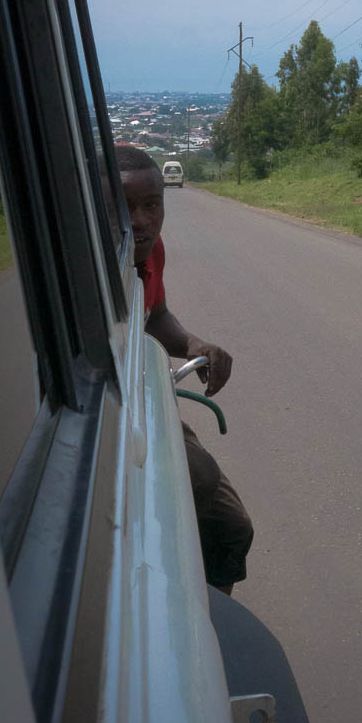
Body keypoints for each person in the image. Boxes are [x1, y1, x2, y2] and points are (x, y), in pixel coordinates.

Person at [114, 144, 253, 595]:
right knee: (201, 482)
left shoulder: (150, 253)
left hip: (147, 400)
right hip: (118, 414)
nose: (140, 220)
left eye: (151, 205)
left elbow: (155, 316)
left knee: (232, 529)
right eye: (122, 207)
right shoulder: (86, 271)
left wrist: (194, 344)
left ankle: (212, 620)